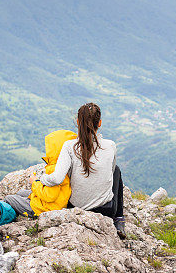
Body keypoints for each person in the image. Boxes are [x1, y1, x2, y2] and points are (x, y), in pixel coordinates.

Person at [38, 102, 126, 238]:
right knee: (117, 171)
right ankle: (119, 220)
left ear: (78, 122)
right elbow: (111, 170)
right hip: (107, 210)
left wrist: (41, 178)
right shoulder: (110, 145)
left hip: (76, 207)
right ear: (100, 123)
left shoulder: (69, 146)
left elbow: (57, 178)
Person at [4, 129, 77, 217]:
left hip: (45, 209)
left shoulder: (55, 169)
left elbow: (49, 196)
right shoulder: (66, 166)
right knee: (21, 193)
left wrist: (34, 182)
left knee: (9, 198)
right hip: (57, 203)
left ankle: (11, 215)